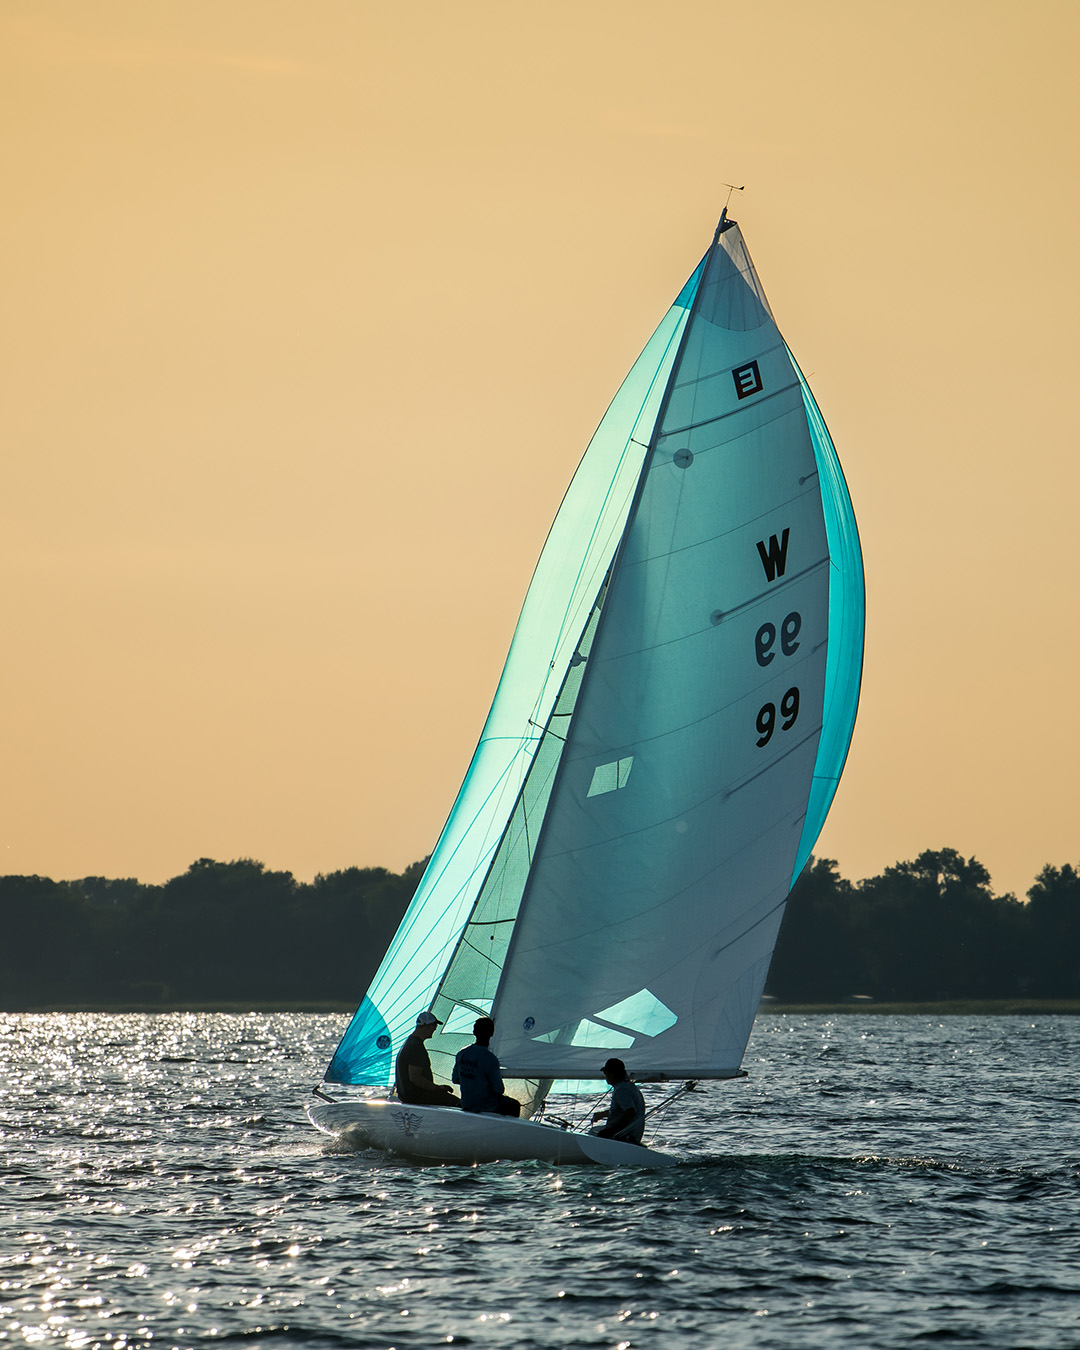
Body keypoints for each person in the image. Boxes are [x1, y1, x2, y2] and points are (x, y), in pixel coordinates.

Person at [452, 1017, 521, 1116]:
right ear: (492, 1033)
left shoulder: (462, 1053)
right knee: (514, 1105)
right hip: (487, 1105)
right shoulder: (490, 1059)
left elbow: (455, 1079)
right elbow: (499, 1090)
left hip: (467, 1103)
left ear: (474, 1032)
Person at [394, 1011, 460, 1107]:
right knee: (458, 1103)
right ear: (426, 1026)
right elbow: (415, 1077)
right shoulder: (416, 1046)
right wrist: (437, 1089)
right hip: (418, 1097)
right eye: (434, 1025)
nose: (435, 1028)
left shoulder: (409, 1042)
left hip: (409, 1097)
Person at [591, 1057, 646, 1144]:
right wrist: (604, 1114)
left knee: (593, 1133)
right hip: (631, 1137)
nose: (605, 1076)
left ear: (612, 1074)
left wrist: (611, 1131)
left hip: (624, 1138)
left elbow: (630, 1112)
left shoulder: (621, 1090)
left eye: (606, 1073)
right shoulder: (630, 1086)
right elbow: (621, 1110)